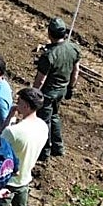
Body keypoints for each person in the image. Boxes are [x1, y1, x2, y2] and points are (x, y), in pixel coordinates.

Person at [0, 88, 50, 206]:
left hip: (6, 181)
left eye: (18, 101)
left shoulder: (14, 131)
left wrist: (10, 117)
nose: (16, 103)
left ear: (25, 106)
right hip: (25, 178)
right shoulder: (43, 126)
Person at [32, 17, 81, 160]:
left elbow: (41, 80)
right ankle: (58, 147)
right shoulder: (73, 49)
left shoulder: (49, 56)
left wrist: (34, 94)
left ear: (49, 33)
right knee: (55, 116)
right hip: (62, 90)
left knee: (44, 120)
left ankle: (44, 152)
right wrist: (71, 87)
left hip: (48, 93)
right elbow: (76, 71)